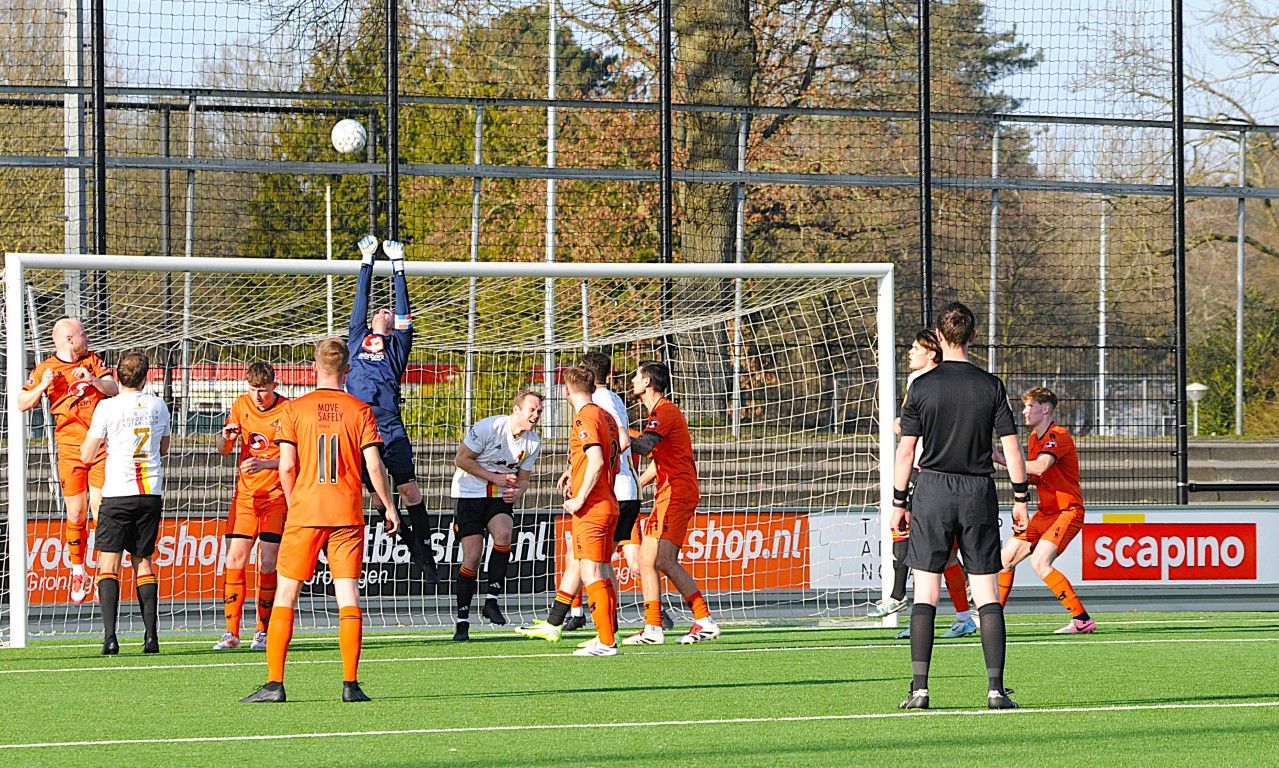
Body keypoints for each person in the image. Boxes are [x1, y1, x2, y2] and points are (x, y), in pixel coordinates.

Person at [241, 338, 399, 704]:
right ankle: (350, 684)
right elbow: (373, 464)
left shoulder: (294, 410)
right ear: (348, 371)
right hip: (345, 511)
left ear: (314, 368)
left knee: (287, 594)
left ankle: (275, 684)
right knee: (348, 595)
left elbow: (286, 465)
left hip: (306, 512)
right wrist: (388, 505)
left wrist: (296, 503)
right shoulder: (360, 410)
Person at [893, 302, 1029, 710]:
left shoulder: (920, 386)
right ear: (972, 337)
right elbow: (1011, 448)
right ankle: (995, 690)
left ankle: (919, 689)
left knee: (926, 594)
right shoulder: (991, 386)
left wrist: (900, 502)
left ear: (937, 336)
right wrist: (1021, 498)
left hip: (931, 491)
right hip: (976, 492)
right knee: (985, 591)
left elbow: (905, 452)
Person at [871, 329, 977, 640]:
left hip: (932, 473)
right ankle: (961, 617)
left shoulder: (937, 383)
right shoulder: (915, 382)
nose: (910, 352)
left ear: (932, 352)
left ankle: (896, 594)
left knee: (908, 536)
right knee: (943, 558)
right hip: (925, 472)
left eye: (916, 347)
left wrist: (908, 429)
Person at [347, 235, 438, 582]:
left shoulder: (397, 345)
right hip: (358, 426)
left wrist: (399, 267)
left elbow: (404, 310)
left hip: (388, 424)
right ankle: (412, 547)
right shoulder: (357, 337)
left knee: (410, 491)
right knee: (379, 500)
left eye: (389, 310)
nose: (385, 310)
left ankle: (426, 555)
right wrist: (367, 260)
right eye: (380, 310)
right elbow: (360, 300)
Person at [521, 366, 622, 655]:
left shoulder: (585, 416)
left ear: (566, 391)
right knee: (601, 570)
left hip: (592, 506)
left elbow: (597, 460)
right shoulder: (606, 416)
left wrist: (579, 498)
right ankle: (606, 634)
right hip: (608, 502)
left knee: (590, 571)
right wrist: (571, 472)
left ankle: (606, 641)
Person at [18, 318, 119, 604]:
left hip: (99, 445)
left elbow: (113, 389)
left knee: (102, 511)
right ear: (70, 340)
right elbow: (22, 403)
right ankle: (77, 570)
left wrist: (93, 381)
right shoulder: (45, 369)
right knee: (76, 513)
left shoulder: (93, 362)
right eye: (83, 333)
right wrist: (43, 387)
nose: (87, 337)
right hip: (70, 448)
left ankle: (104, 574)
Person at [621, 361, 719, 646]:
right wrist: (636, 485)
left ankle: (704, 619)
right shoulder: (658, 413)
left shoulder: (665, 411)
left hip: (677, 493)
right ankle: (653, 627)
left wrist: (615, 432)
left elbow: (644, 446)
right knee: (645, 560)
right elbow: (658, 460)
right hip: (666, 493)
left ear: (648, 381)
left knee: (663, 559)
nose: (633, 381)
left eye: (637, 376)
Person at [78, 351, 169, 655]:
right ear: (147, 377)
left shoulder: (107, 407)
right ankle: (151, 638)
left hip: (117, 493)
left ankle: (109, 638)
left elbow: (86, 455)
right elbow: (164, 447)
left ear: (116, 376)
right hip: (150, 493)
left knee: (109, 562)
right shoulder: (159, 405)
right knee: (143, 561)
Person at [993, 387, 1095, 634]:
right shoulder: (1034, 439)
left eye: (1030, 406)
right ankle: (991, 619)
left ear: (1045, 409)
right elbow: (1035, 477)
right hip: (1045, 512)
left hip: (1066, 511)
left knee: (1040, 562)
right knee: (1004, 561)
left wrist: (1005, 459)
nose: (1025, 412)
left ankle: (1082, 620)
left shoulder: (1058, 435)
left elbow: (1040, 466)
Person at [450, 390, 544, 641]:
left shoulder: (533, 442)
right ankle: (462, 620)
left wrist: (517, 492)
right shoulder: (488, 427)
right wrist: (496, 478)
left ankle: (491, 600)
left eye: (539, 411)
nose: (536, 415)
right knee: (473, 556)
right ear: (516, 410)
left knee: (503, 535)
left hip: (497, 497)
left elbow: (524, 480)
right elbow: (461, 459)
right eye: (531, 410)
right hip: (468, 494)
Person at [214, 362, 290, 651]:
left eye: (263, 390)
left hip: (275, 498)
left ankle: (262, 630)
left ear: (274, 385)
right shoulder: (240, 405)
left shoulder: (287, 410)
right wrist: (227, 438)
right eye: (253, 390)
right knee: (234, 560)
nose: (258, 396)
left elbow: (293, 459)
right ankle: (231, 632)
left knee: (268, 562)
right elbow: (223, 450)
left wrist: (265, 463)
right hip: (245, 498)